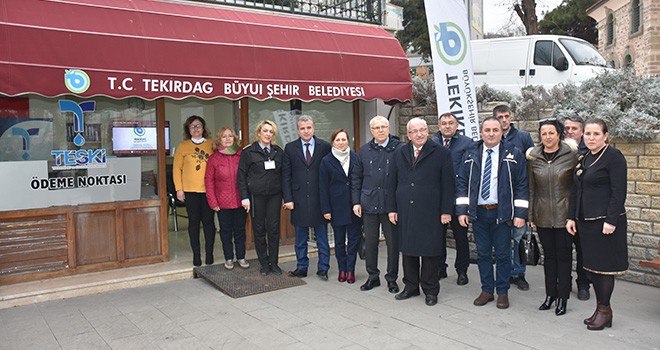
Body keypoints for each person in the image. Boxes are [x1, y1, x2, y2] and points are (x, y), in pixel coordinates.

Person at [456, 116, 528, 309]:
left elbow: (522, 185)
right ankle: (487, 290)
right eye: (487, 130)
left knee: (504, 254)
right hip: (478, 214)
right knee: (483, 254)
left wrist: (520, 214)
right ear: (481, 132)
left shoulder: (514, 153)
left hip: (502, 214)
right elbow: (462, 183)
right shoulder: (470, 153)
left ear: (502, 132)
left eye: (495, 130)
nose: (491, 134)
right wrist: (462, 210)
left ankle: (502, 292)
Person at [566, 118, 628, 331]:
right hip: (586, 222)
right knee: (593, 268)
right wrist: (571, 217)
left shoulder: (613, 157)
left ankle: (604, 310)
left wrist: (611, 220)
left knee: (604, 269)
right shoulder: (584, 157)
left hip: (605, 223)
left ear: (605, 135)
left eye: (596, 134)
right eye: (588, 134)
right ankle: (601, 310)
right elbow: (576, 190)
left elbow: (618, 192)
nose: (591, 138)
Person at [386, 117, 455, 306]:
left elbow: (448, 185)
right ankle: (410, 286)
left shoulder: (441, 153)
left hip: (431, 211)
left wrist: (446, 211)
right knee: (408, 250)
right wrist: (392, 208)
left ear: (428, 131)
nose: (419, 134)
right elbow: (391, 182)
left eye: (422, 130)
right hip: (405, 209)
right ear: (408, 135)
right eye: (415, 131)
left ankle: (431, 290)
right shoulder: (399, 152)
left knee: (430, 252)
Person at [527, 119, 578, 316]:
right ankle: (550, 295)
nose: (547, 137)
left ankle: (563, 298)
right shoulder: (533, 157)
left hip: (565, 217)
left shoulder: (571, 156)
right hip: (542, 215)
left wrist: (573, 215)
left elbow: (576, 189)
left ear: (559, 134)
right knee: (549, 257)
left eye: (551, 133)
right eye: (544, 134)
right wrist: (531, 214)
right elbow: (532, 188)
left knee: (564, 257)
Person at [351, 116, 403, 293]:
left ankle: (392, 278)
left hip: (391, 206)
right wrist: (356, 201)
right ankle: (372, 277)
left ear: (388, 128)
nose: (380, 130)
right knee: (371, 243)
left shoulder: (400, 149)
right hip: (369, 203)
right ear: (371, 130)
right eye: (376, 128)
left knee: (393, 244)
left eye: (383, 127)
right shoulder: (364, 151)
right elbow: (356, 178)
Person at [282, 115, 332, 280]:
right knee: (301, 239)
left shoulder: (324, 146)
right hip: (298, 199)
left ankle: (323, 268)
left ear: (313, 128)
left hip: (319, 199)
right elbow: (286, 175)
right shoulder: (290, 148)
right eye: (302, 128)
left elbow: (329, 173)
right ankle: (301, 267)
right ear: (298, 130)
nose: (306, 131)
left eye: (309, 127)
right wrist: (287, 198)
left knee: (322, 238)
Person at [493, 105, 534, 291]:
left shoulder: (523, 137)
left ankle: (519, 273)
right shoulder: (491, 137)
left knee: (518, 238)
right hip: (499, 199)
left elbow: (532, 165)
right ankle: (505, 273)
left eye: (506, 116)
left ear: (511, 117)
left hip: (518, 195)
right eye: (500, 116)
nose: (503, 119)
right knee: (502, 240)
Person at [431, 112, 475, 285]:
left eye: (451, 123)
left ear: (457, 126)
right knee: (437, 237)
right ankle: (440, 268)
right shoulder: (432, 143)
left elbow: (469, 170)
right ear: (439, 126)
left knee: (461, 237)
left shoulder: (467, 143)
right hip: (438, 199)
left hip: (458, 197)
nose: (447, 126)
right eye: (444, 123)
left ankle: (462, 271)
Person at [237, 120, 284, 276]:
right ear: (258, 133)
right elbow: (241, 177)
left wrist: (286, 196)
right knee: (259, 230)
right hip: (256, 196)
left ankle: (274, 263)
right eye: (265, 131)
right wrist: (244, 197)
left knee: (274, 229)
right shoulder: (248, 152)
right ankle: (264, 263)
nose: (268, 134)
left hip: (274, 196)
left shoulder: (278, 151)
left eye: (271, 132)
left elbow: (284, 175)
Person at [319, 129, 362, 284]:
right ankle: (342, 269)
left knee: (353, 241)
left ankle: (350, 270)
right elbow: (322, 187)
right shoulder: (326, 161)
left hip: (354, 207)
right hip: (336, 207)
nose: (341, 142)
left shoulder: (357, 158)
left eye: (344, 139)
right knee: (338, 242)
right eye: (338, 140)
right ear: (333, 142)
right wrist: (326, 210)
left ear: (348, 141)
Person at [173, 115, 215, 267]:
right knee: (194, 224)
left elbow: (229, 152)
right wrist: (179, 189)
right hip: (190, 191)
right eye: (192, 126)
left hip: (209, 191)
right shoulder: (183, 146)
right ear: (188, 130)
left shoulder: (212, 145)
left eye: (198, 126)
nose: (196, 129)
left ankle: (209, 254)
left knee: (209, 223)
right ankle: (196, 255)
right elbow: (177, 169)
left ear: (204, 128)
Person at [205, 127, 249, 271]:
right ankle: (229, 258)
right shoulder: (214, 158)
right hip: (222, 203)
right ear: (219, 140)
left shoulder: (242, 155)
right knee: (225, 232)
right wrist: (213, 202)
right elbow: (209, 181)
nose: (228, 138)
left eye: (230, 136)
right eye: (224, 136)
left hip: (240, 201)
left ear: (235, 139)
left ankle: (241, 257)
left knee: (240, 231)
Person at [563, 114, 591, 300]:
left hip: (582, 209)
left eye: (574, 128)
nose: (570, 132)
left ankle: (583, 284)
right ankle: (563, 282)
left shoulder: (590, 151)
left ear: (582, 131)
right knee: (563, 250)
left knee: (583, 250)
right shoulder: (558, 149)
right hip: (562, 207)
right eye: (567, 128)